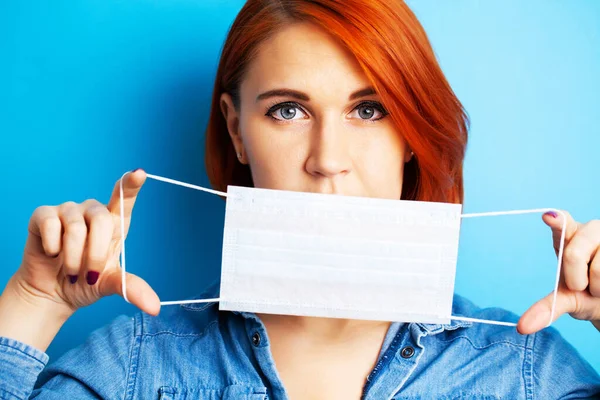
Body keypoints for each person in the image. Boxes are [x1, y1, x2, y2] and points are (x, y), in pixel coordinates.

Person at [1, 0, 599, 398]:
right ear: (236, 129)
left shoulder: (523, 373)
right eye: (288, 111)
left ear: (413, 135)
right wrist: (34, 303)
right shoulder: (132, 372)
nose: (327, 158)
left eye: (369, 110)